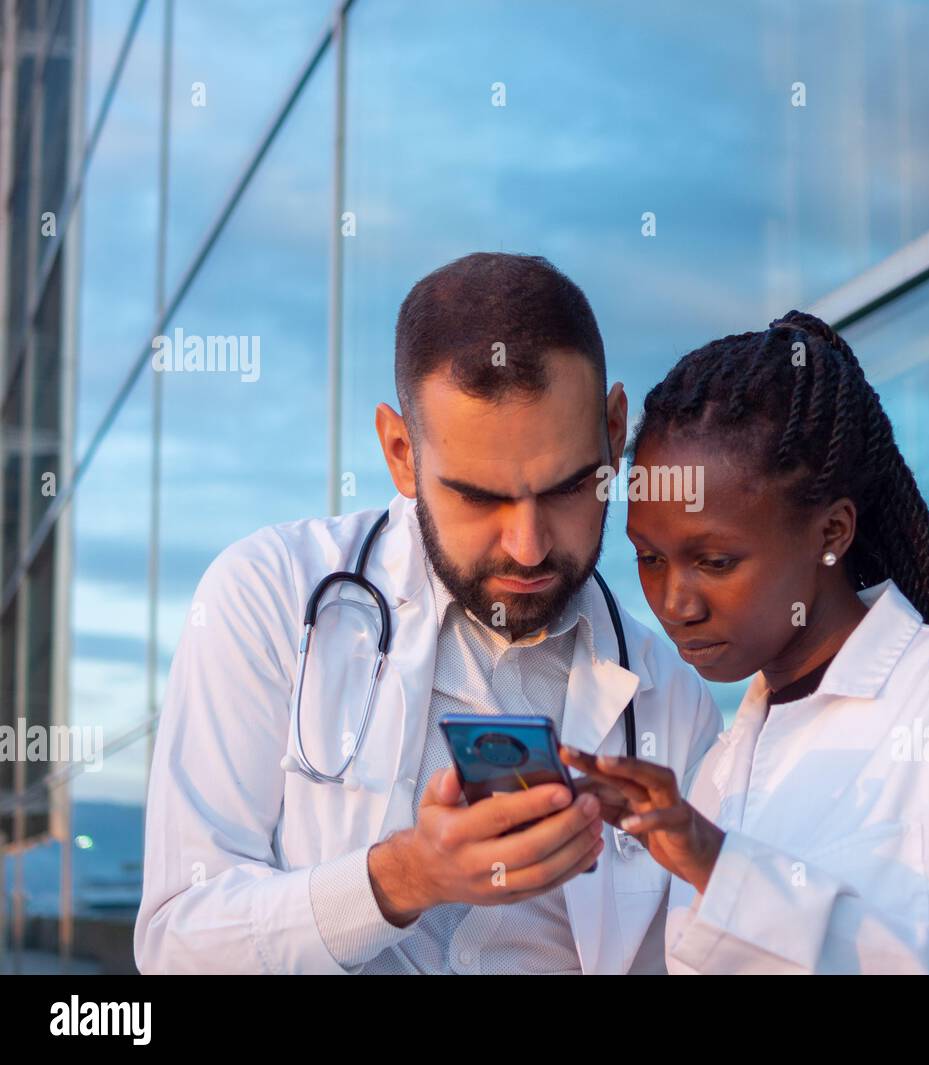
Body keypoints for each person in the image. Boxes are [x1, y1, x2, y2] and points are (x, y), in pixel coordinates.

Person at [134, 253, 722, 974]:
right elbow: (176, 944)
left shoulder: (677, 704)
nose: (529, 544)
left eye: (569, 488)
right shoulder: (269, 597)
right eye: (480, 497)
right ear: (400, 452)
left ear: (614, 430)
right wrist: (401, 879)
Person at [562, 310, 929, 974]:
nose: (677, 602)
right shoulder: (716, 773)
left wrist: (726, 870)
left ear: (832, 532)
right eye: (649, 557)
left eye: (717, 561)